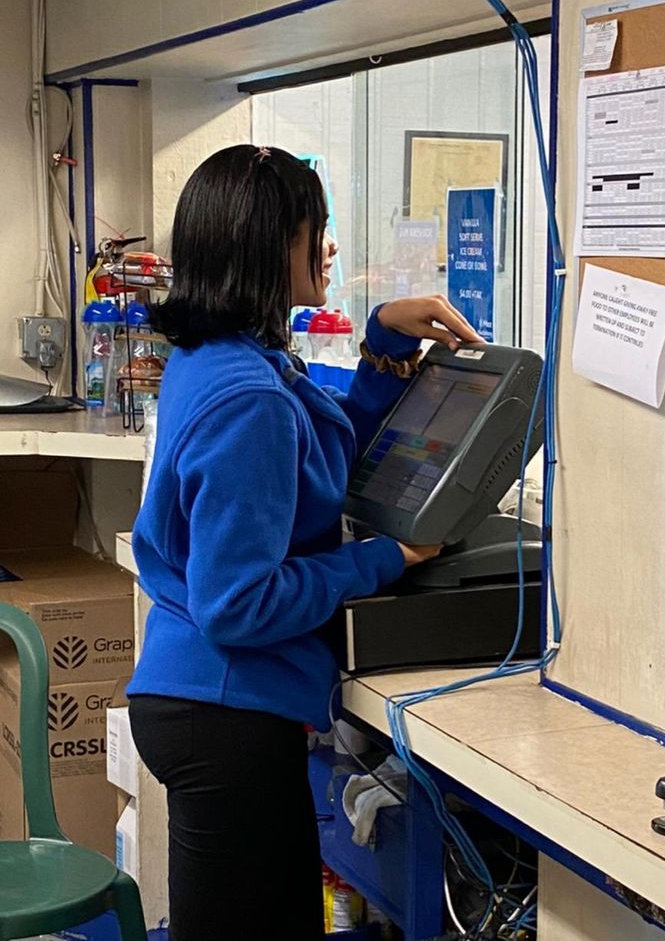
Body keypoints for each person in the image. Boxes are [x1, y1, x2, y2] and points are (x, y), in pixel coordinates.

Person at [127, 144, 482, 941]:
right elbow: (239, 602)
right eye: (311, 228)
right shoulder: (248, 395)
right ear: (265, 245)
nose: (326, 245)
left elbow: (315, 459)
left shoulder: (219, 357)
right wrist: (384, 559)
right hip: (222, 711)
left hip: (203, 700)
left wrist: (385, 346)